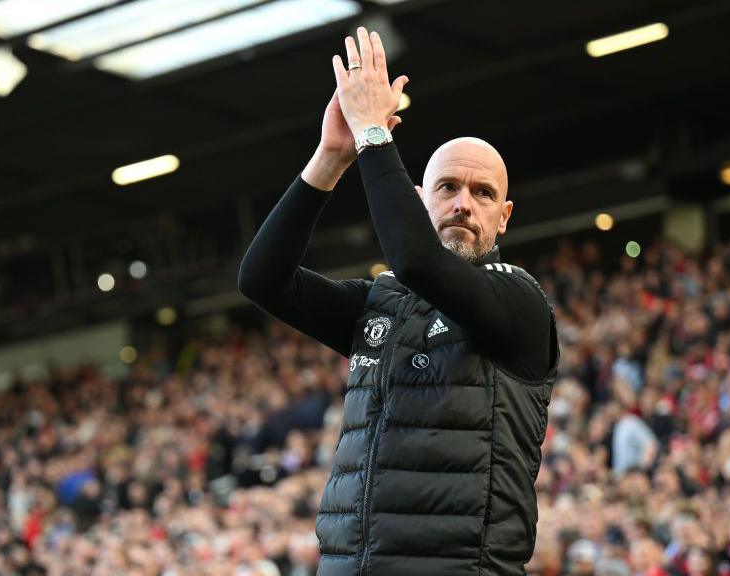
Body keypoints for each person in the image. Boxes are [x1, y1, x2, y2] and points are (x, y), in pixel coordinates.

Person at [238, 26, 558, 576]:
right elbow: (262, 278)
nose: (464, 204)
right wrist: (331, 156)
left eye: (484, 194)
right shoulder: (380, 304)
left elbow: (415, 260)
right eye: (447, 188)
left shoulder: (519, 300)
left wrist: (371, 134)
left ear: (504, 216)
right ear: (417, 201)